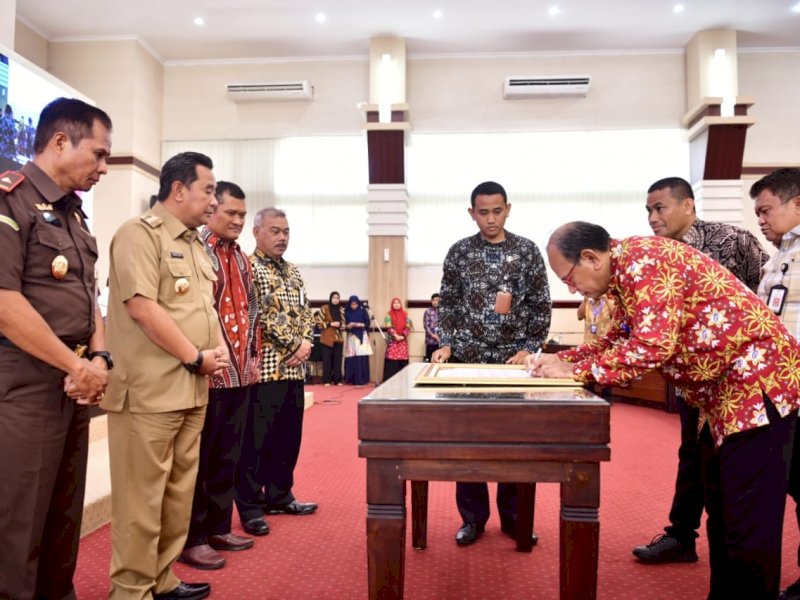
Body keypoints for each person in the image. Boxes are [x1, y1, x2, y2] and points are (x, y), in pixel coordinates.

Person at [530, 221, 799, 599]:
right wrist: (563, 359)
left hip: (756, 386)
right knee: (723, 512)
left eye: (569, 279)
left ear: (590, 257)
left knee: (747, 520)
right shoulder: (625, 270)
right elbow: (620, 337)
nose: (573, 290)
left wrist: (576, 370)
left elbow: (651, 346)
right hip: (723, 395)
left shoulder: (643, 262)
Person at [102, 151, 230, 600]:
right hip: (150, 392)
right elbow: (142, 308)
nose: (213, 201)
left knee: (177, 496)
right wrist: (195, 357)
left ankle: (161, 578)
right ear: (179, 190)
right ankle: (131, 590)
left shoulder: (196, 244)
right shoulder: (139, 235)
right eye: (209, 190)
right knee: (141, 501)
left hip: (191, 391)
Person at [0, 97, 112, 600]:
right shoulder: (10, 199)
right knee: (17, 521)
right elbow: (4, 302)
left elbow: (90, 298)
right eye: (100, 154)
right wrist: (76, 365)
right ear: (61, 141)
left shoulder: (76, 217)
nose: (104, 168)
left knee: (63, 517)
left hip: (74, 382)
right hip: (24, 381)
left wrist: (99, 358)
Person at [633, 176, 769, 564]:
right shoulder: (658, 254)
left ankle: (733, 544)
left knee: (730, 462)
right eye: (647, 211)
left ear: (688, 206)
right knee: (691, 454)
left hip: (740, 380)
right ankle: (681, 535)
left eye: (659, 208)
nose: (652, 217)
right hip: (689, 377)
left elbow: (766, 294)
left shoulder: (732, 240)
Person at [432, 180, 551, 547]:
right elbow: (448, 303)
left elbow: (540, 304)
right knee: (469, 444)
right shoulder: (459, 252)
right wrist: (448, 343)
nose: (491, 219)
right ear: (472, 213)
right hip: (467, 361)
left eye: (497, 211)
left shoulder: (528, 252)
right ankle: (472, 519)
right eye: (483, 212)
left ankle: (516, 519)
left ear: (508, 209)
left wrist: (530, 348)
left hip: (513, 362)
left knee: (515, 445)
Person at [179, 181, 261, 570]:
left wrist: (254, 356)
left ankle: (218, 526)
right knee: (200, 460)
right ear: (212, 209)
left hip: (241, 374)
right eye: (231, 212)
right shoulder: (198, 251)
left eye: (243, 215)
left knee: (229, 455)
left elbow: (254, 311)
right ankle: (192, 537)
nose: (238, 220)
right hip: (208, 375)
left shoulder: (242, 258)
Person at [234, 207, 318, 539]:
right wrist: (293, 345)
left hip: (294, 372)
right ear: (256, 232)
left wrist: (307, 342)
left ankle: (281, 496)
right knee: (257, 441)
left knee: (287, 439)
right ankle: (252, 507)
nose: (282, 237)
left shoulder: (294, 272)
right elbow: (261, 316)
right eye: (274, 231)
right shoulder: (250, 269)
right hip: (266, 370)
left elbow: (306, 311)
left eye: (285, 231)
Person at [750, 168, 800, 600]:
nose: (761, 220)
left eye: (766, 210)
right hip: (783, 392)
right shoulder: (782, 251)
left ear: (797, 203)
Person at [344, 295, 371, 385]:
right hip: (351, 336)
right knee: (352, 358)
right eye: (352, 304)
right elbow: (344, 325)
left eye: (355, 304)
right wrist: (348, 326)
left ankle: (362, 378)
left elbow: (367, 323)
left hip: (361, 336)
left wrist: (358, 324)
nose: (354, 306)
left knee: (361, 357)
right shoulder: (347, 312)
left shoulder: (363, 311)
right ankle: (352, 378)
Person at [319, 291, 345, 385]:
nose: (336, 299)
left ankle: (337, 380)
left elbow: (344, 323)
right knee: (327, 360)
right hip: (327, 338)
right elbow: (319, 323)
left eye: (337, 298)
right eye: (334, 297)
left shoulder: (342, 309)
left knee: (338, 360)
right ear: (330, 298)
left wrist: (342, 325)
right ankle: (327, 380)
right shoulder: (324, 308)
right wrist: (331, 324)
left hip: (338, 338)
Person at [383, 296, 411, 381]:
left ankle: (402, 382)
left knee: (402, 361)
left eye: (398, 302)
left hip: (402, 342)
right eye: (394, 303)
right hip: (393, 342)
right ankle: (390, 382)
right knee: (392, 362)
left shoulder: (406, 315)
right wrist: (396, 336)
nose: (396, 304)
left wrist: (402, 336)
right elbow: (389, 327)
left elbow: (408, 328)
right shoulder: (388, 315)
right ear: (392, 305)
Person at [423, 292, 441, 361]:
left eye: (438, 300)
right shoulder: (428, 311)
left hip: (440, 341)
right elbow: (426, 326)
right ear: (431, 301)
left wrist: (440, 336)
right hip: (431, 340)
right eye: (434, 300)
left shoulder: (442, 311)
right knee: (430, 359)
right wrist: (434, 336)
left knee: (439, 360)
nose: (436, 302)